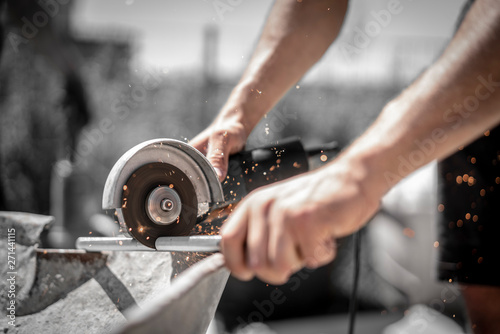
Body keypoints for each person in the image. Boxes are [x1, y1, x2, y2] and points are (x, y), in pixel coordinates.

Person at [190, 1, 500, 333]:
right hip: (477, 130)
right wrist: (239, 113)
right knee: (489, 319)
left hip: (481, 78)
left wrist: (356, 175)